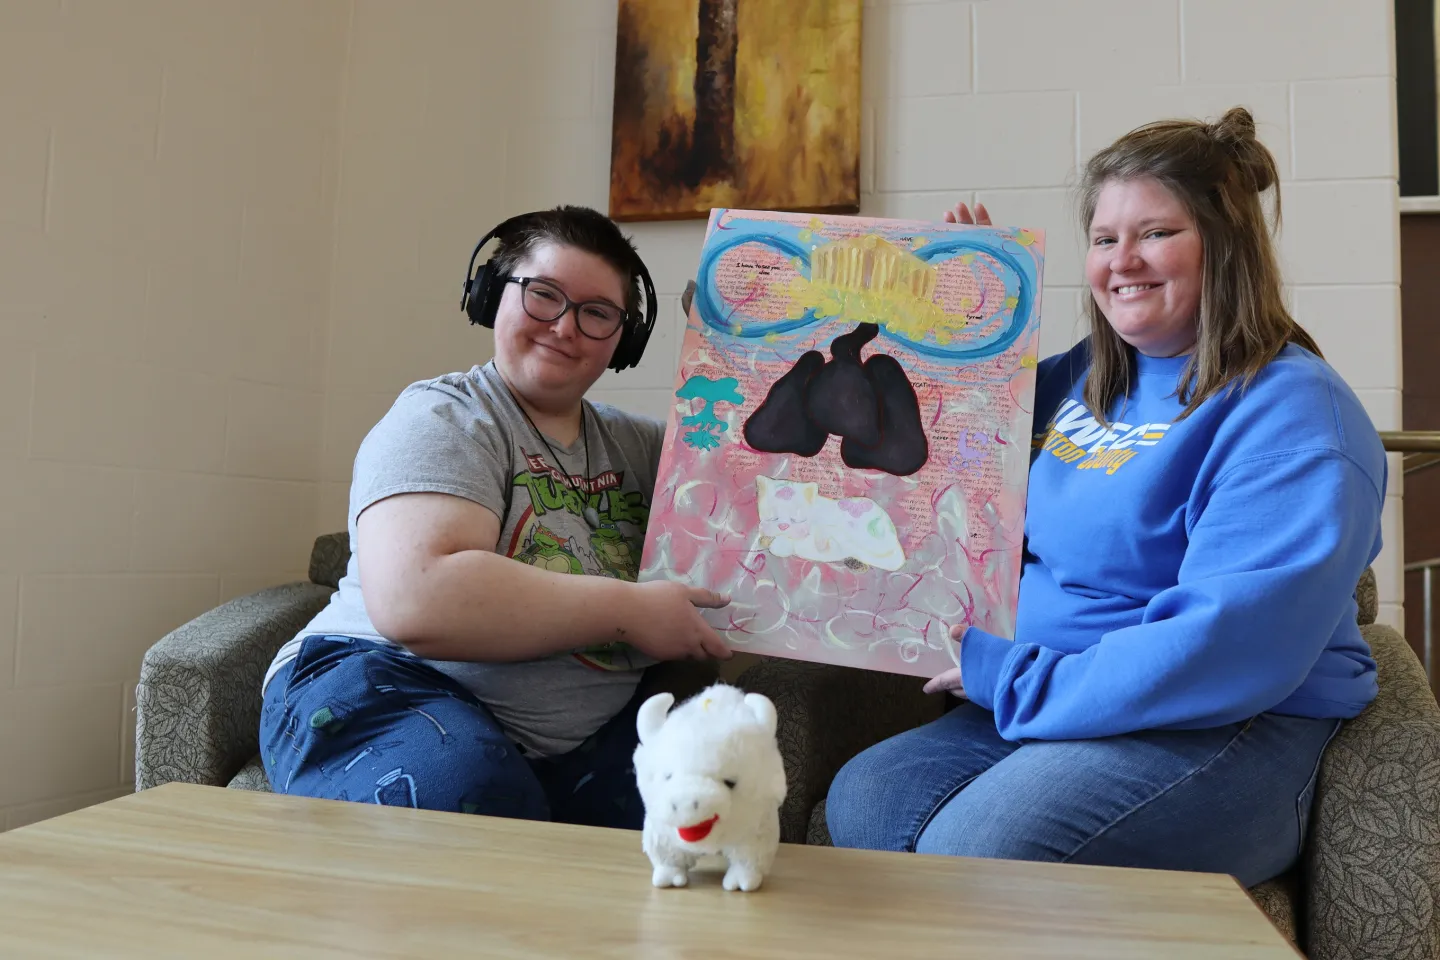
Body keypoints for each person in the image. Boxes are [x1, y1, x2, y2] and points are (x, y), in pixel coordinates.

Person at [825, 108, 1386, 888]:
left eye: (1155, 232)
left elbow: (1222, 648)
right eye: (1103, 238)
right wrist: (960, 325)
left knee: (980, 845)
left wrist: (1016, 681)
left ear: (1225, 245)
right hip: (1067, 695)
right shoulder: (1089, 373)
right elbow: (939, 445)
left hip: (1226, 720)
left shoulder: (1295, 418)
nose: (1123, 260)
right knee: (867, 800)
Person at [259, 205, 732, 828]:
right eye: (544, 295)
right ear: (491, 296)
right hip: (386, 680)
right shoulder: (445, 417)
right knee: (468, 793)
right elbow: (417, 600)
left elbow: (759, 502)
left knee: (711, 818)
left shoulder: (644, 449)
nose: (565, 326)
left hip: (578, 743)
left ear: (625, 339)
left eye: (596, 313)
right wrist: (630, 611)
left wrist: (734, 356)